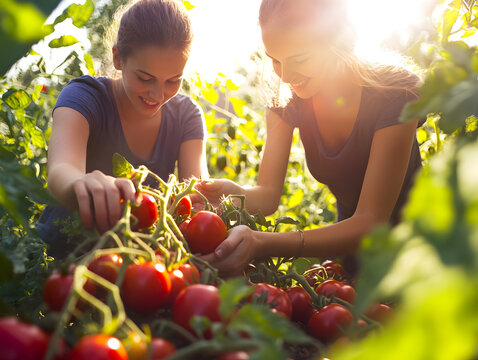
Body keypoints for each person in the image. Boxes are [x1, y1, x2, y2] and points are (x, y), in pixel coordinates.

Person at [197, 0, 423, 278]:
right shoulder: (287, 102)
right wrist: (232, 196)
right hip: (346, 258)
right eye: (275, 60)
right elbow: (268, 196)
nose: (287, 76)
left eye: (299, 59)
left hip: (417, 259)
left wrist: (263, 243)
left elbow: (370, 222)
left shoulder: (395, 95)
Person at [37, 0, 208, 257]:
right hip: (60, 259)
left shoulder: (187, 116)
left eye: (174, 80)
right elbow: (60, 172)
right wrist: (81, 183)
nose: (158, 94)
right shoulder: (85, 96)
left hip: (131, 265)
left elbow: (194, 200)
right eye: (145, 78)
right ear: (118, 58)